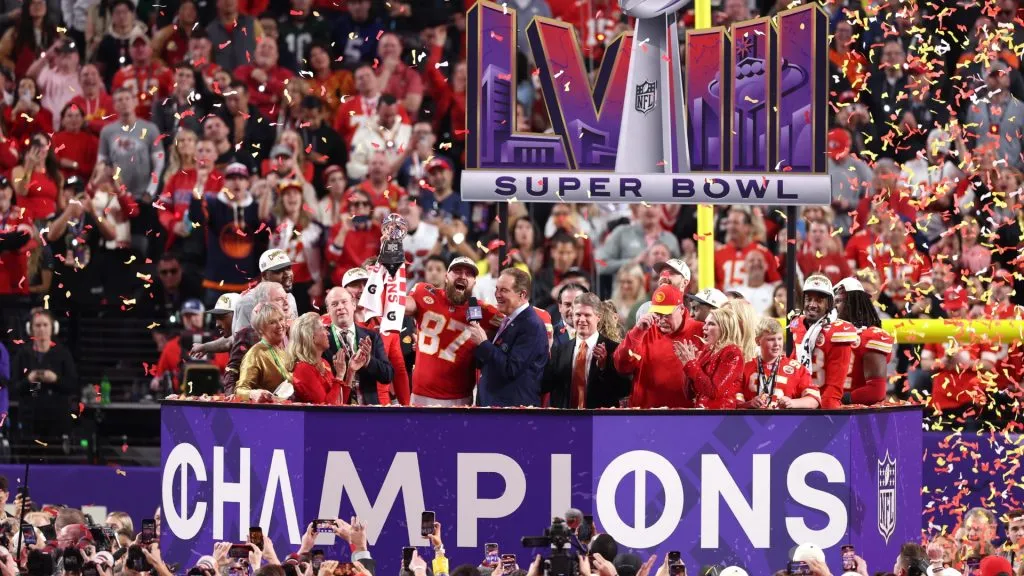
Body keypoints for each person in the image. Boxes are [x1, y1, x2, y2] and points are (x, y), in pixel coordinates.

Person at [406, 256, 499, 406]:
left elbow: (517, 320)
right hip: (420, 396)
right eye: (457, 271)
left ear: (475, 282)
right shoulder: (424, 292)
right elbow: (399, 306)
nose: (463, 276)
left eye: (469, 274)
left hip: (460, 400)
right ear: (446, 276)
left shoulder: (482, 310)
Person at [613, 284, 704, 408]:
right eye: (657, 314)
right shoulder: (644, 331)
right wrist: (636, 333)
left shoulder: (701, 332)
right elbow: (622, 366)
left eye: (666, 315)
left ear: (681, 309)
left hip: (686, 416)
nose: (661, 320)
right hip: (646, 415)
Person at [470, 267, 549, 407]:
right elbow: (490, 363)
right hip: (495, 406)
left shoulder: (531, 325)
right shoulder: (507, 320)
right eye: (497, 289)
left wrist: (484, 343)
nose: (497, 295)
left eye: (504, 290)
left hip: (513, 411)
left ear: (522, 295)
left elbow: (511, 369)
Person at [542, 292, 629, 408]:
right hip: (567, 419)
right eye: (578, 315)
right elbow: (545, 385)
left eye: (587, 315)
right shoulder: (560, 350)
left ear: (598, 317)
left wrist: (603, 367)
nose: (581, 319)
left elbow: (623, 390)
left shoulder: (614, 348)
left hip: (599, 421)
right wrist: (547, 349)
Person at [790, 274, 857, 409]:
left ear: (829, 304)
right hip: (798, 400)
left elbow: (834, 386)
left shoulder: (838, 331)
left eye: (819, 300)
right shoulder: (797, 324)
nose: (812, 305)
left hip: (822, 404)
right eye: (809, 299)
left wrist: (827, 412)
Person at [10, 308, 77, 441]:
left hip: (58, 421)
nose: (42, 329)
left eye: (45, 325)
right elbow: (14, 388)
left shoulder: (63, 354)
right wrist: (28, 380)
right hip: (30, 421)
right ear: (31, 329)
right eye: (38, 325)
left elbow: (73, 385)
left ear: (53, 328)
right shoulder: (23, 355)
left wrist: (55, 379)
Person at [321, 287, 393, 405]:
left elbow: (387, 375)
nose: (340, 307)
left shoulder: (372, 337)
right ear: (328, 310)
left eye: (344, 302)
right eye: (334, 304)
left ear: (353, 305)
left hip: (369, 409)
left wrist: (369, 361)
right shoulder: (322, 339)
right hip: (338, 408)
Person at [834, 277, 893, 405]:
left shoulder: (869, 337)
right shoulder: (827, 333)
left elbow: (876, 391)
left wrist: (842, 400)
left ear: (853, 303)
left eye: (838, 301)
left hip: (857, 414)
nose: (834, 307)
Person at [738, 318, 820, 409]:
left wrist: (792, 403)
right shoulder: (744, 368)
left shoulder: (797, 369)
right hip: (751, 422)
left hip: (785, 422)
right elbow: (733, 403)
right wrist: (749, 404)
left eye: (780, 339)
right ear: (758, 341)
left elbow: (815, 400)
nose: (777, 344)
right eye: (771, 339)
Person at [151, 299, 228, 393]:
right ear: (180, 319)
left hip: (215, 401)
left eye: (195, 315)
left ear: (205, 317)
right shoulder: (171, 346)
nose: (191, 319)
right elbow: (157, 379)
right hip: (180, 400)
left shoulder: (219, 343)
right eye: (187, 316)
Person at [673, 306, 743, 409]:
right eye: (705, 323)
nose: (704, 327)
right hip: (702, 414)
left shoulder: (732, 353)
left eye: (711, 324)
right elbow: (689, 394)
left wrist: (691, 364)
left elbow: (714, 392)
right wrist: (687, 363)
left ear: (725, 328)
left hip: (720, 418)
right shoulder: (707, 351)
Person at [288, 312, 362, 405]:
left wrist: (350, 371)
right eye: (322, 328)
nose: (327, 333)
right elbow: (326, 409)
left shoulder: (324, 363)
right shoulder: (303, 369)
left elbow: (341, 402)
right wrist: (339, 376)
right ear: (312, 336)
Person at [236, 302, 292, 402]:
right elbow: (239, 390)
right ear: (260, 328)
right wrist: (254, 394)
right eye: (272, 322)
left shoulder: (284, 351)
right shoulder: (255, 354)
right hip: (268, 413)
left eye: (281, 319)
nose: (279, 325)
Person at [714, 208, 780, 289]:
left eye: (736, 223)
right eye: (729, 222)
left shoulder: (762, 253)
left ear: (747, 227)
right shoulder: (718, 253)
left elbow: (775, 284)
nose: (731, 227)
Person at [633, 258, 691, 323]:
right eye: (661, 274)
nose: (664, 277)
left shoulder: (694, 310)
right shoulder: (645, 309)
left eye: (671, 273)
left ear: (685, 283)